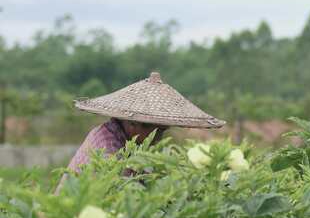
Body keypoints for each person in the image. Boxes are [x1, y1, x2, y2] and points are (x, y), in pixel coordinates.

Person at [54, 72, 225, 195]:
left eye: (161, 132)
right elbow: (129, 197)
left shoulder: (121, 139)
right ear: (132, 123)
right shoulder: (108, 147)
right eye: (155, 132)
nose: (157, 139)